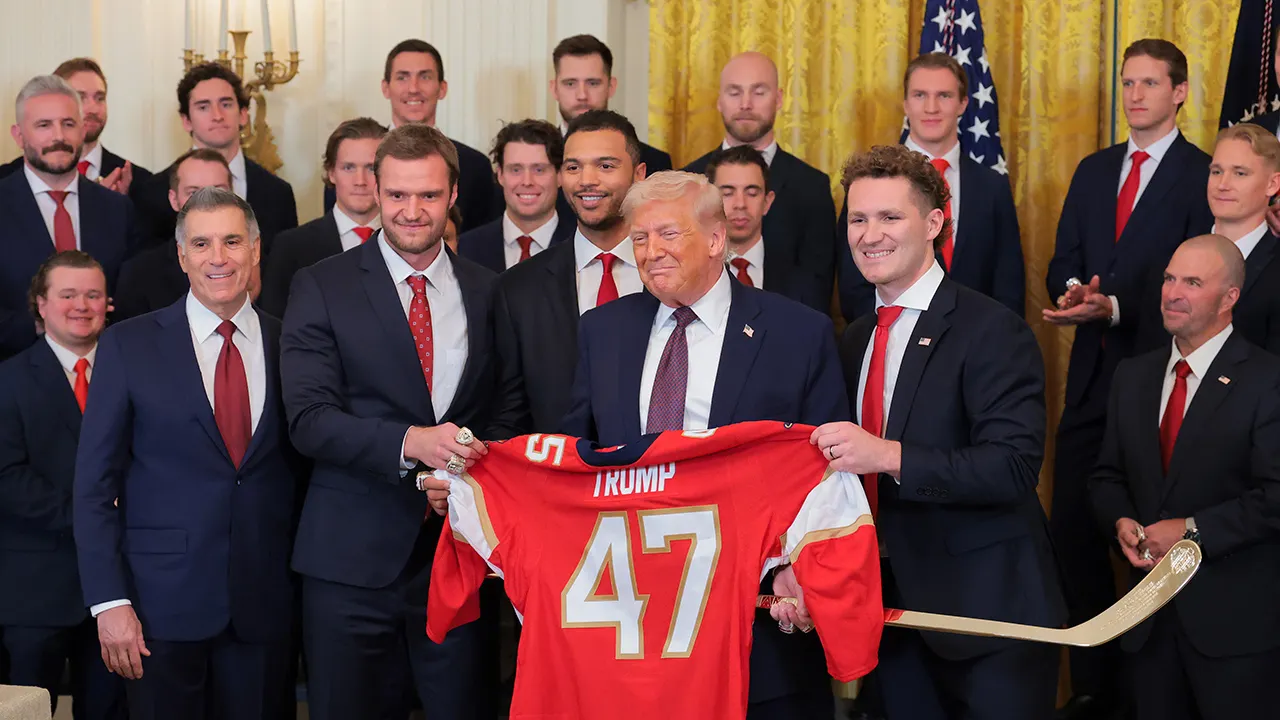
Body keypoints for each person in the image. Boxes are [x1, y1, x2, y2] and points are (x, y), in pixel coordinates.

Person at [558, 170, 848, 719]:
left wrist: (801, 563)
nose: (650, 252)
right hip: (631, 621)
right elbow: (579, 453)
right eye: (639, 239)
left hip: (756, 621)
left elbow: (827, 470)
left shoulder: (799, 333)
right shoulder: (603, 330)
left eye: (668, 234)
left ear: (716, 240)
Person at [812, 144, 1063, 719]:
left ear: (933, 223)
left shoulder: (992, 329)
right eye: (857, 218)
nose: (869, 234)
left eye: (889, 217)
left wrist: (889, 456)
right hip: (892, 619)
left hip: (991, 618)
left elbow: (1014, 466)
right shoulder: (852, 340)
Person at [280, 124, 498, 720]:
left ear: (453, 194)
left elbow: (504, 413)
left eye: (427, 195)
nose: (411, 210)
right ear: (375, 189)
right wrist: (414, 446)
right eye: (397, 194)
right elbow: (309, 418)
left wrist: (459, 472)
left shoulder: (488, 290)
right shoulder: (321, 285)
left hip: (459, 557)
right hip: (349, 565)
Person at [73, 188, 303, 719]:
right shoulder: (128, 345)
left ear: (255, 249)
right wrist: (110, 602)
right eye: (201, 243)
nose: (218, 258)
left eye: (231, 241)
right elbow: (92, 488)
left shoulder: (291, 343)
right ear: (181, 256)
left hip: (264, 605)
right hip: (157, 610)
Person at [1042, 38, 1213, 719]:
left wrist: (1115, 306)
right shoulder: (1093, 170)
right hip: (1089, 386)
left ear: (1179, 93)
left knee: (1158, 541)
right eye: (1127, 82)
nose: (1135, 94)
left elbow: (1200, 281)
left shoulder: (1202, 175)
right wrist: (1076, 290)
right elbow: (1064, 260)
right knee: (1074, 537)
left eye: (1150, 83)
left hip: (1165, 383)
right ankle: (1090, 684)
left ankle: (1154, 693)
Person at [1090, 234, 1280, 720]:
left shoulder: (1267, 380)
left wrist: (1191, 529)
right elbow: (1107, 476)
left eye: (1193, 282)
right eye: (1170, 278)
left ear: (1230, 297)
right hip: (1148, 623)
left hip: (1234, 630)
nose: (1172, 292)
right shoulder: (1133, 376)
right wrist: (1121, 523)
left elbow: (1275, 498)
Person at [0, 252, 126, 720]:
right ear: (41, 303)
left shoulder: (134, 372)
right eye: (68, 294)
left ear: (108, 303)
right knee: (28, 712)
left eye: (93, 294)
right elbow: (7, 479)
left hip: (118, 593)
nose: (82, 305)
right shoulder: (7, 381)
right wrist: (94, 518)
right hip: (34, 595)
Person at [485, 110, 648, 440]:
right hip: (558, 481)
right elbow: (510, 414)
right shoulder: (518, 288)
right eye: (573, 167)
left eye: (605, 166)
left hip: (660, 477)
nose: (587, 179)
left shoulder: (673, 274)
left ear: (639, 174)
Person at [836, 52, 1025, 321]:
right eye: (920, 95)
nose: (931, 108)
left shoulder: (992, 186)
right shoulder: (869, 182)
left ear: (963, 104)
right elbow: (853, 284)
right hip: (889, 336)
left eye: (944, 96)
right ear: (905, 103)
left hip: (975, 344)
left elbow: (1009, 284)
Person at [683, 52, 837, 316]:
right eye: (734, 92)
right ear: (719, 101)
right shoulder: (686, 181)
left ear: (778, 99)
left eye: (758, 92)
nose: (745, 104)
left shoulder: (813, 186)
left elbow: (817, 290)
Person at [0, 74, 139, 360]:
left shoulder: (117, 209)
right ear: (18, 135)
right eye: (44, 125)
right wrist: (42, 324)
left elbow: (133, 299)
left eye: (68, 124)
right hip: (14, 380)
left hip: (106, 374)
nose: (59, 137)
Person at [321, 39, 499, 234]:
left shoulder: (475, 166)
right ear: (385, 87)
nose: (413, 88)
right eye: (402, 77)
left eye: (425, 77)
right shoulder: (349, 168)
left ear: (442, 88)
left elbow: (480, 247)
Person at [1135, 123, 1280, 354]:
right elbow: (1149, 357)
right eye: (1216, 171)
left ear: (1273, 184)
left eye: (1240, 173)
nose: (1222, 185)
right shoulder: (1170, 259)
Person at [133, 62, 297, 252]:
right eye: (203, 107)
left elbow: (285, 270)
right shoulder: (152, 192)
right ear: (186, 121)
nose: (217, 115)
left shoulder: (279, 193)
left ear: (243, 115)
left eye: (226, 104)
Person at [259, 118, 387, 318]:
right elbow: (275, 325)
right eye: (349, 168)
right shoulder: (291, 247)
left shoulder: (406, 242)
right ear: (331, 172)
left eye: (371, 168)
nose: (360, 181)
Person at [113, 149, 240, 321]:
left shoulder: (256, 264)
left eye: (218, 191)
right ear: (174, 200)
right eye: (193, 193)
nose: (207, 203)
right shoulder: (139, 274)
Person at [703, 144, 828, 312]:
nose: (740, 204)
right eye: (727, 193)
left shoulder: (802, 283)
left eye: (752, 193)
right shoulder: (692, 276)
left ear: (767, 202)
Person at [0, 58, 152, 195]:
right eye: (80, 97)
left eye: (100, 98)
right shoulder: (5, 177)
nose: (93, 108)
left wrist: (116, 205)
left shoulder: (141, 181)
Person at [456, 119, 574, 274]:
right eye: (516, 170)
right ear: (500, 175)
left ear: (560, 176)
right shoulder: (466, 248)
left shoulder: (581, 246)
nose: (527, 181)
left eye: (539, 170)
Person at [550, 34, 671, 174]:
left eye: (593, 83)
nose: (582, 95)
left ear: (611, 86)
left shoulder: (655, 161)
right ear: (554, 89)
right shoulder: (537, 161)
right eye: (570, 83)